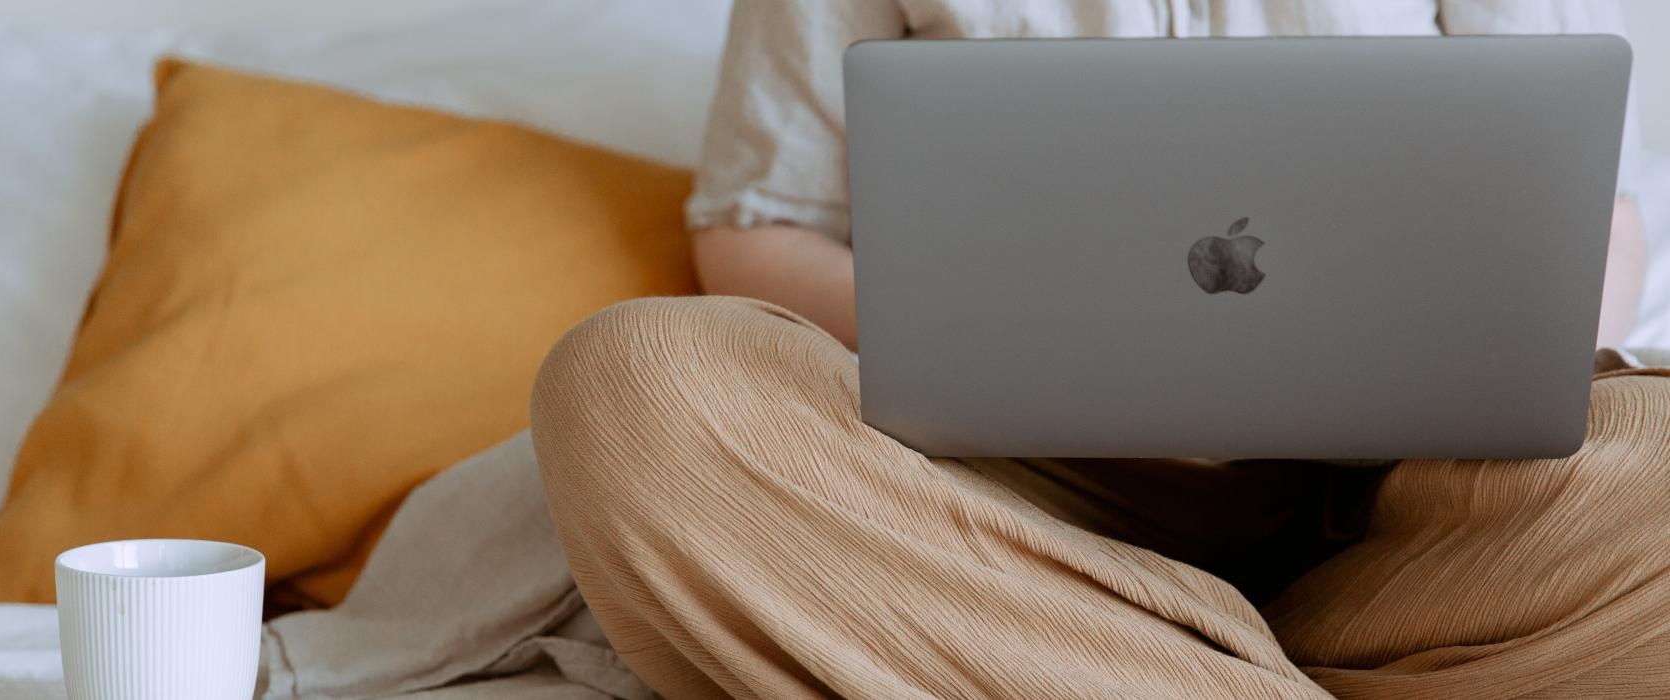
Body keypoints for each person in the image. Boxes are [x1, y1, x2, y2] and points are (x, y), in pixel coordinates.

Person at [531, 1, 1669, 697]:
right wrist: (992, 342)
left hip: (1413, 512)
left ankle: (1078, 665)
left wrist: (1498, 368)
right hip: (1000, 500)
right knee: (636, 384)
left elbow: (1592, 208)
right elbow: (755, 223)